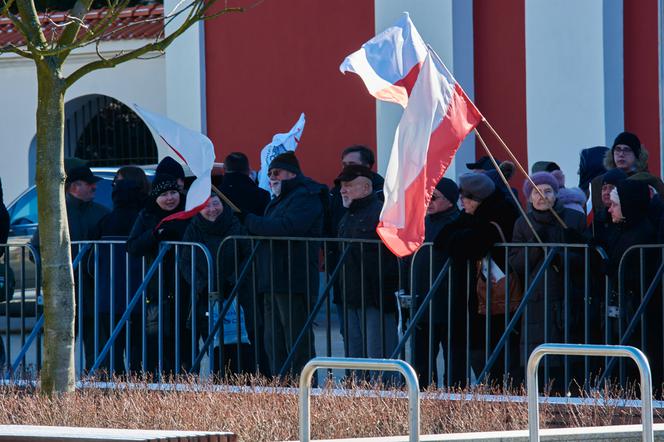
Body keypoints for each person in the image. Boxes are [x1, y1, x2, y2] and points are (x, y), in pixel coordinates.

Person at [243, 151, 327, 377]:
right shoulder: (279, 200)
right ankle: (282, 389)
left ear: (292, 173)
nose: (272, 177)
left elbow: (286, 227)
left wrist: (250, 221)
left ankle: (304, 391)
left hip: (293, 279)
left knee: (296, 341)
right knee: (274, 341)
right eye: (269, 173)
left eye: (276, 172)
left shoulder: (306, 196)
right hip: (271, 279)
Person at [433, 172, 520, 385]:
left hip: (496, 302)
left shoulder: (501, 213)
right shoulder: (471, 216)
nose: (462, 202)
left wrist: (460, 236)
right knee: (478, 352)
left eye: (466, 198)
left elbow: (469, 245)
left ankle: (503, 398)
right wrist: (461, 235)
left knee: (496, 356)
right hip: (475, 299)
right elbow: (442, 238)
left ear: (478, 198)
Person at [509, 172, 586, 391]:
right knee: (539, 360)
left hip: (567, 297)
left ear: (556, 194)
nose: (542, 196)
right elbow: (516, 263)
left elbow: (587, 259)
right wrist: (535, 245)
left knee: (568, 359)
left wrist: (563, 257)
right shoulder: (523, 224)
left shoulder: (572, 220)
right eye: (536, 191)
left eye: (548, 191)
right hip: (535, 302)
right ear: (529, 197)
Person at [30, 162, 110, 370]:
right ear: (74, 186)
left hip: (93, 290)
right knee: (61, 348)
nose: (94, 187)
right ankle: (57, 388)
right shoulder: (55, 214)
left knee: (97, 345)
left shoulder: (102, 213)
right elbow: (35, 251)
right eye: (89, 183)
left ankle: (97, 386)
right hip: (63, 291)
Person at [333, 165, 399, 381]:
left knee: (378, 356)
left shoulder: (381, 213)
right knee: (355, 355)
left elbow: (392, 259)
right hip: (351, 296)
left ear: (365, 187)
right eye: (342, 186)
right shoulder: (347, 216)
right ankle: (359, 400)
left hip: (375, 297)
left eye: (349, 186)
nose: (343, 190)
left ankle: (385, 401)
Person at [180, 193, 254, 376]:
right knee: (215, 348)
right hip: (206, 298)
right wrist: (201, 286)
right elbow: (185, 261)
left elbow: (249, 255)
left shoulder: (235, 225)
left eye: (215, 203)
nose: (212, 209)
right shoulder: (193, 229)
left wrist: (234, 281)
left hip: (237, 297)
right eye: (206, 206)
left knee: (239, 348)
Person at [127, 174, 191, 375]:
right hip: (156, 290)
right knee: (156, 341)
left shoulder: (189, 214)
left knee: (185, 342)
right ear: (155, 196)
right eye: (164, 194)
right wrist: (154, 234)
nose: (170, 198)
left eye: (173, 192)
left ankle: (185, 383)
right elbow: (132, 246)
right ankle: (157, 385)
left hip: (185, 288)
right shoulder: (146, 216)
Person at [88, 166, 149, 374]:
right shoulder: (146, 218)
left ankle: (117, 391)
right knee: (139, 350)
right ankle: (140, 389)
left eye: (116, 182)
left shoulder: (106, 220)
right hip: (141, 293)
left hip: (110, 294)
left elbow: (90, 262)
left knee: (115, 349)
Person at [604, 180, 661, 385]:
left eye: (615, 204)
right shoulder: (623, 229)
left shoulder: (641, 234)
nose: (610, 209)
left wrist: (611, 269)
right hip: (628, 310)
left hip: (640, 312)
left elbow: (638, 275)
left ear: (628, 205)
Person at [411, 177, 462, 387]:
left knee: (454, 359)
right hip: (422, 300)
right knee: (421, 359)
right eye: (426, 196)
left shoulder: (457, 223)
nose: (428, 201)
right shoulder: (422, 223)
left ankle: (455, 399)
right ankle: (424, 400)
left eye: (434, 197)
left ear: (450, 200)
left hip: (450, 302)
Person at [590, 132, 664, 218]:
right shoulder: (598, 182)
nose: (621, 154)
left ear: (637, 155)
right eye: (617, 149)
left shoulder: (649, 181)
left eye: (627, 150)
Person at [328, 145, 384, 236]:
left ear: (367, 166)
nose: (347, 168)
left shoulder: (382, 190)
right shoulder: (335, 191)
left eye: (352, 164)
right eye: (344, 164)